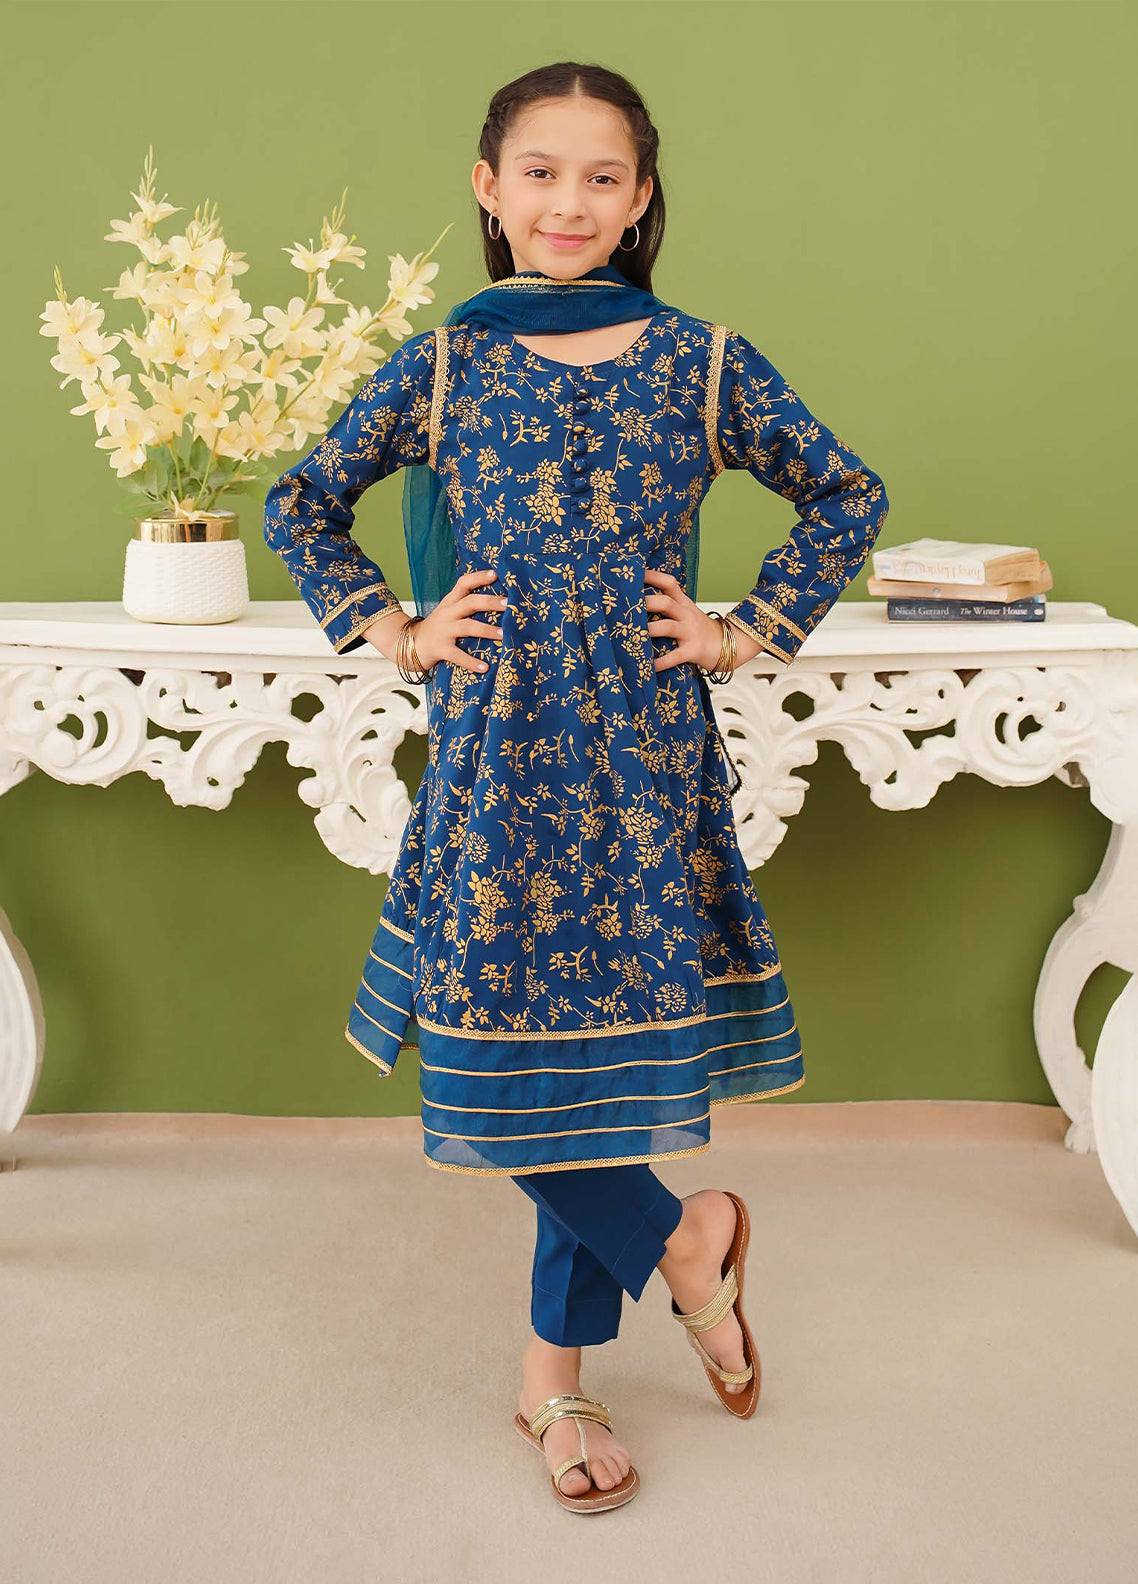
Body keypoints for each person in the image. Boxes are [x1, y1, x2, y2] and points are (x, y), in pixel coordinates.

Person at [263, 61, 889, 1514]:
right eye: (538, 173)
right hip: (495, 757)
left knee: (592, 1077)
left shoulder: (703, 362)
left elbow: (844, 492)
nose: (568, 202)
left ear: (641, 197)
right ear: (488, 190)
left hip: (641, 761)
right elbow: (305, 500)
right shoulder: (443, 364)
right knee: (501, 1060)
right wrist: (393, 628)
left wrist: (742, 630)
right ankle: (688, 1242)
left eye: (602, 177)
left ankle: (553, 1384)